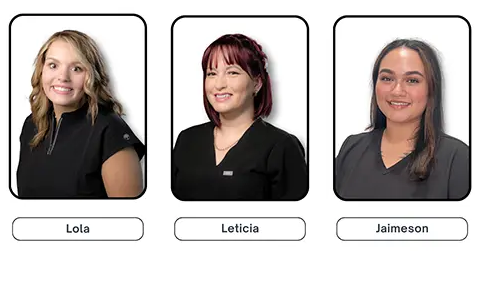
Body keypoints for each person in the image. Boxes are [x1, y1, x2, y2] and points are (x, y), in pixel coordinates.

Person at [171, 33, 308, 200]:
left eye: (233, 73)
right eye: (211, 74)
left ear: (257, 84)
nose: (219, 84)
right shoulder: (187, 139)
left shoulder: (282, 146)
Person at [16, 29, 145, 198]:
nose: (63, 77)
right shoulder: (31, 124)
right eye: (53, 65)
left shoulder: (110, 131)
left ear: (92, 75)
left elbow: (127, 218)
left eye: (77, 68)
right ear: (41, 70)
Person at [335, 38, 470, 199]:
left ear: (431, 89)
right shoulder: (352, 148)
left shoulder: (458, 158)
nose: (397, 91)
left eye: (412, 80)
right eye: (387, 78)